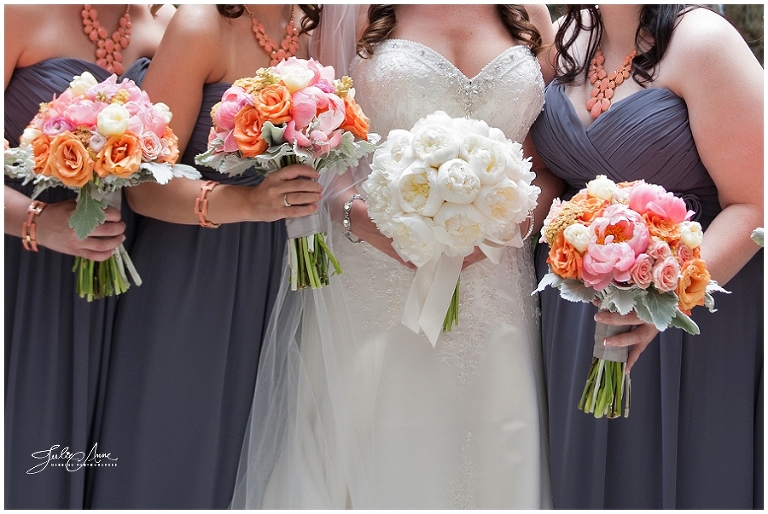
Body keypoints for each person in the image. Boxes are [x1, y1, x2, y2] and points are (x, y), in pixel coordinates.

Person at [231, 4, 562, 509]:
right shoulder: (358, 10)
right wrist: (367, 222)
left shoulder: (530, 11)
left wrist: (509, 226)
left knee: (497, 440)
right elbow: (324, 148)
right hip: (378, 266)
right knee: (383, 439)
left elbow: (542, 153)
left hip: (495, 279)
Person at [87, 5, 324, 509]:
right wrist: (247, 202)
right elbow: (143, 186)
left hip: (281, 274)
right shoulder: (201, 25)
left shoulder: (315, 30)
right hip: (193, 272)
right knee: (171, 452)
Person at [531, 4, 763, 509]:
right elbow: (548, 172)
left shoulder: (702, 41)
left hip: (686, 313)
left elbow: (757, 201)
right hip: (576, 315)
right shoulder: (566, 42)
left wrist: (665, 302)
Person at [3, 4, 173, 509]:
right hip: (21, 268)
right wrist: (38, 222)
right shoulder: (20, 14)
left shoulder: (163, 28)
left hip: (119, 277)